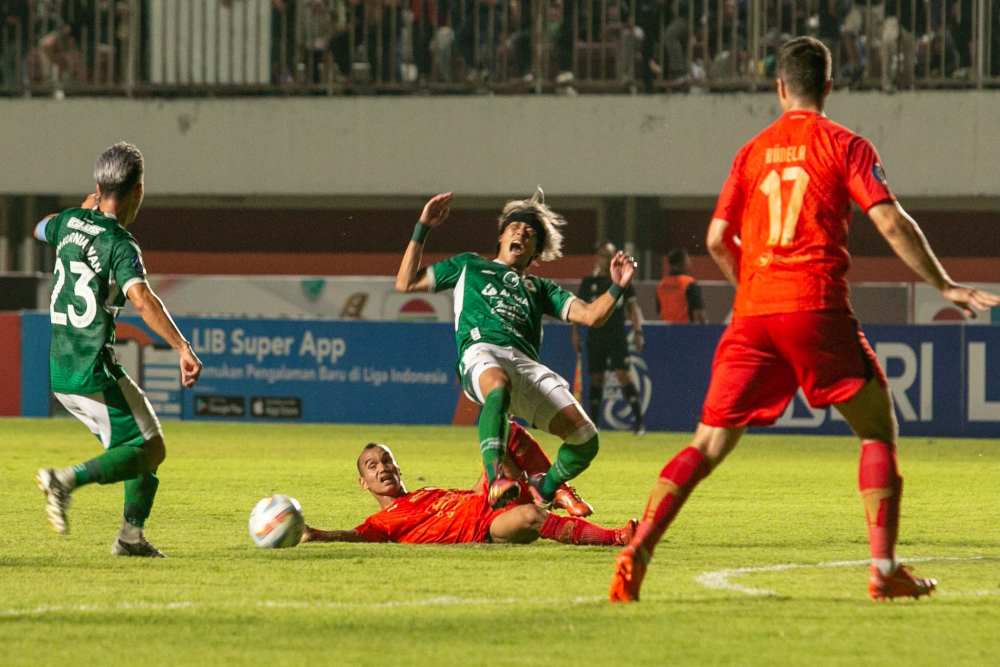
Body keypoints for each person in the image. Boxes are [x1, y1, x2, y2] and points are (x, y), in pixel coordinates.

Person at [608, 37, 1000, 603]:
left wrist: (754, 288)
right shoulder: (845, 145)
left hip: (754, 312)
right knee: (876, 430)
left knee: (708, 443)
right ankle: (883, 569)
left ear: (779, 87)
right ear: (830, 85)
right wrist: (944, 284)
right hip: (814, 304)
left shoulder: (751, 151)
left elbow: (718, 239)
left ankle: (637, 549)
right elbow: (890, 223)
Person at [395, 189, 637, 512]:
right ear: (501, 236)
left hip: (525, 365)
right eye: (515, 228)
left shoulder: (541, 288)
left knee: (585, 440)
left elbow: (592, 316)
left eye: (530, 233)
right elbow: (405, 283)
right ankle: (496, 478)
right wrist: (422, 227)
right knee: (497, 386)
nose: (521, 233)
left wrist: (618, 286)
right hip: (481, 352)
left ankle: (545, 488)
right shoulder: (470, 266)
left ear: (535, 251)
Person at [34, 142, 203, 557]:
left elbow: (41, 227)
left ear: (97, 185)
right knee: (151, 447)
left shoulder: (69, 222)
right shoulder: (120, 244)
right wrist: (182, 346)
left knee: (139, 446)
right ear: (138, 192)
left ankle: (131, 538)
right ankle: (64, 480)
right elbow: (143, 299)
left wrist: (81, 211)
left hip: (63, 370)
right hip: (93, 370)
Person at [300, 421, 635, 546]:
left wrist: (493, 480)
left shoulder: (424, 494)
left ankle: (559, 490)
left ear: (399, 468)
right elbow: (355, 536)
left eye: (387, 461)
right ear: (364, 483)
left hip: (490, 497)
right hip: (489, 527)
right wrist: (316, 534)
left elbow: (471, 495)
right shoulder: (381, 525)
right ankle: (618, 537)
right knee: (532, 516)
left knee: (505, 430)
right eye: (372, 466)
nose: (382, 468)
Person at [572, 241, 646, 435]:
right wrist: (575, 333)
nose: (605, 259)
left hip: (616, 335)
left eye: (609, 255)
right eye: (602, 255)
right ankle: (594, 425)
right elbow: (579, 309)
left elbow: (633, 308)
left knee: (623, 375)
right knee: (596, 379)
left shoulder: (622, 281)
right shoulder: (589, 283)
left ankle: (639, 422)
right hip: (595, 336)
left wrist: (638, 332)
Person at [655, 248, 706, 324]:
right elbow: (699, 312)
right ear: (682, 263)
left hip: (666, 331)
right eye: (687, 260)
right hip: (685, 330)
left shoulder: (661, 285)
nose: (690, 263)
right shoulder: (689, 283)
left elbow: (659, 311)